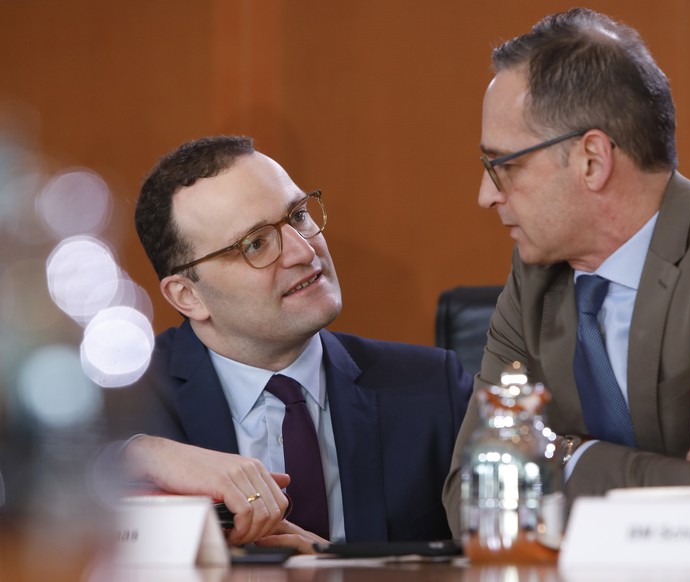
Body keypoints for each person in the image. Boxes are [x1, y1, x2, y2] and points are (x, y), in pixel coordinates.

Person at [442, 7, 690, 535]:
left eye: (505, 166)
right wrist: (684, 482)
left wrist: (558, 458)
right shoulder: (534, 277)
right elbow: (473, 499)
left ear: (592, 160)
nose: (486, 196)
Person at [112, 135, 472, 550]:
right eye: (255, 244)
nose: (303, 251)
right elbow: (34, 490)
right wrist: (138, 453)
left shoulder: (432, 389)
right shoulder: (127, 401)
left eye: (298, 215)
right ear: (187, 296)